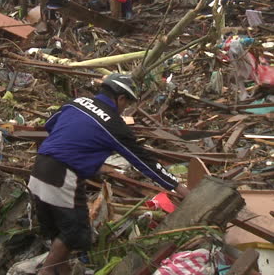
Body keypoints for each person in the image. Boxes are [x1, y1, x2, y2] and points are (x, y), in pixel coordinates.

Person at [29, 74, 190, 275]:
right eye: (126, 103)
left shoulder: (76, 103)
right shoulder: (114, 125)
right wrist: (177, 186)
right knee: (76, 232)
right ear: (120, 98)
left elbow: (50, 124)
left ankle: (62, 270)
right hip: (63, 175)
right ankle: (46, 272)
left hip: (39, 167)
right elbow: (142, 161)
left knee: (58, 231)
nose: (125, 109)